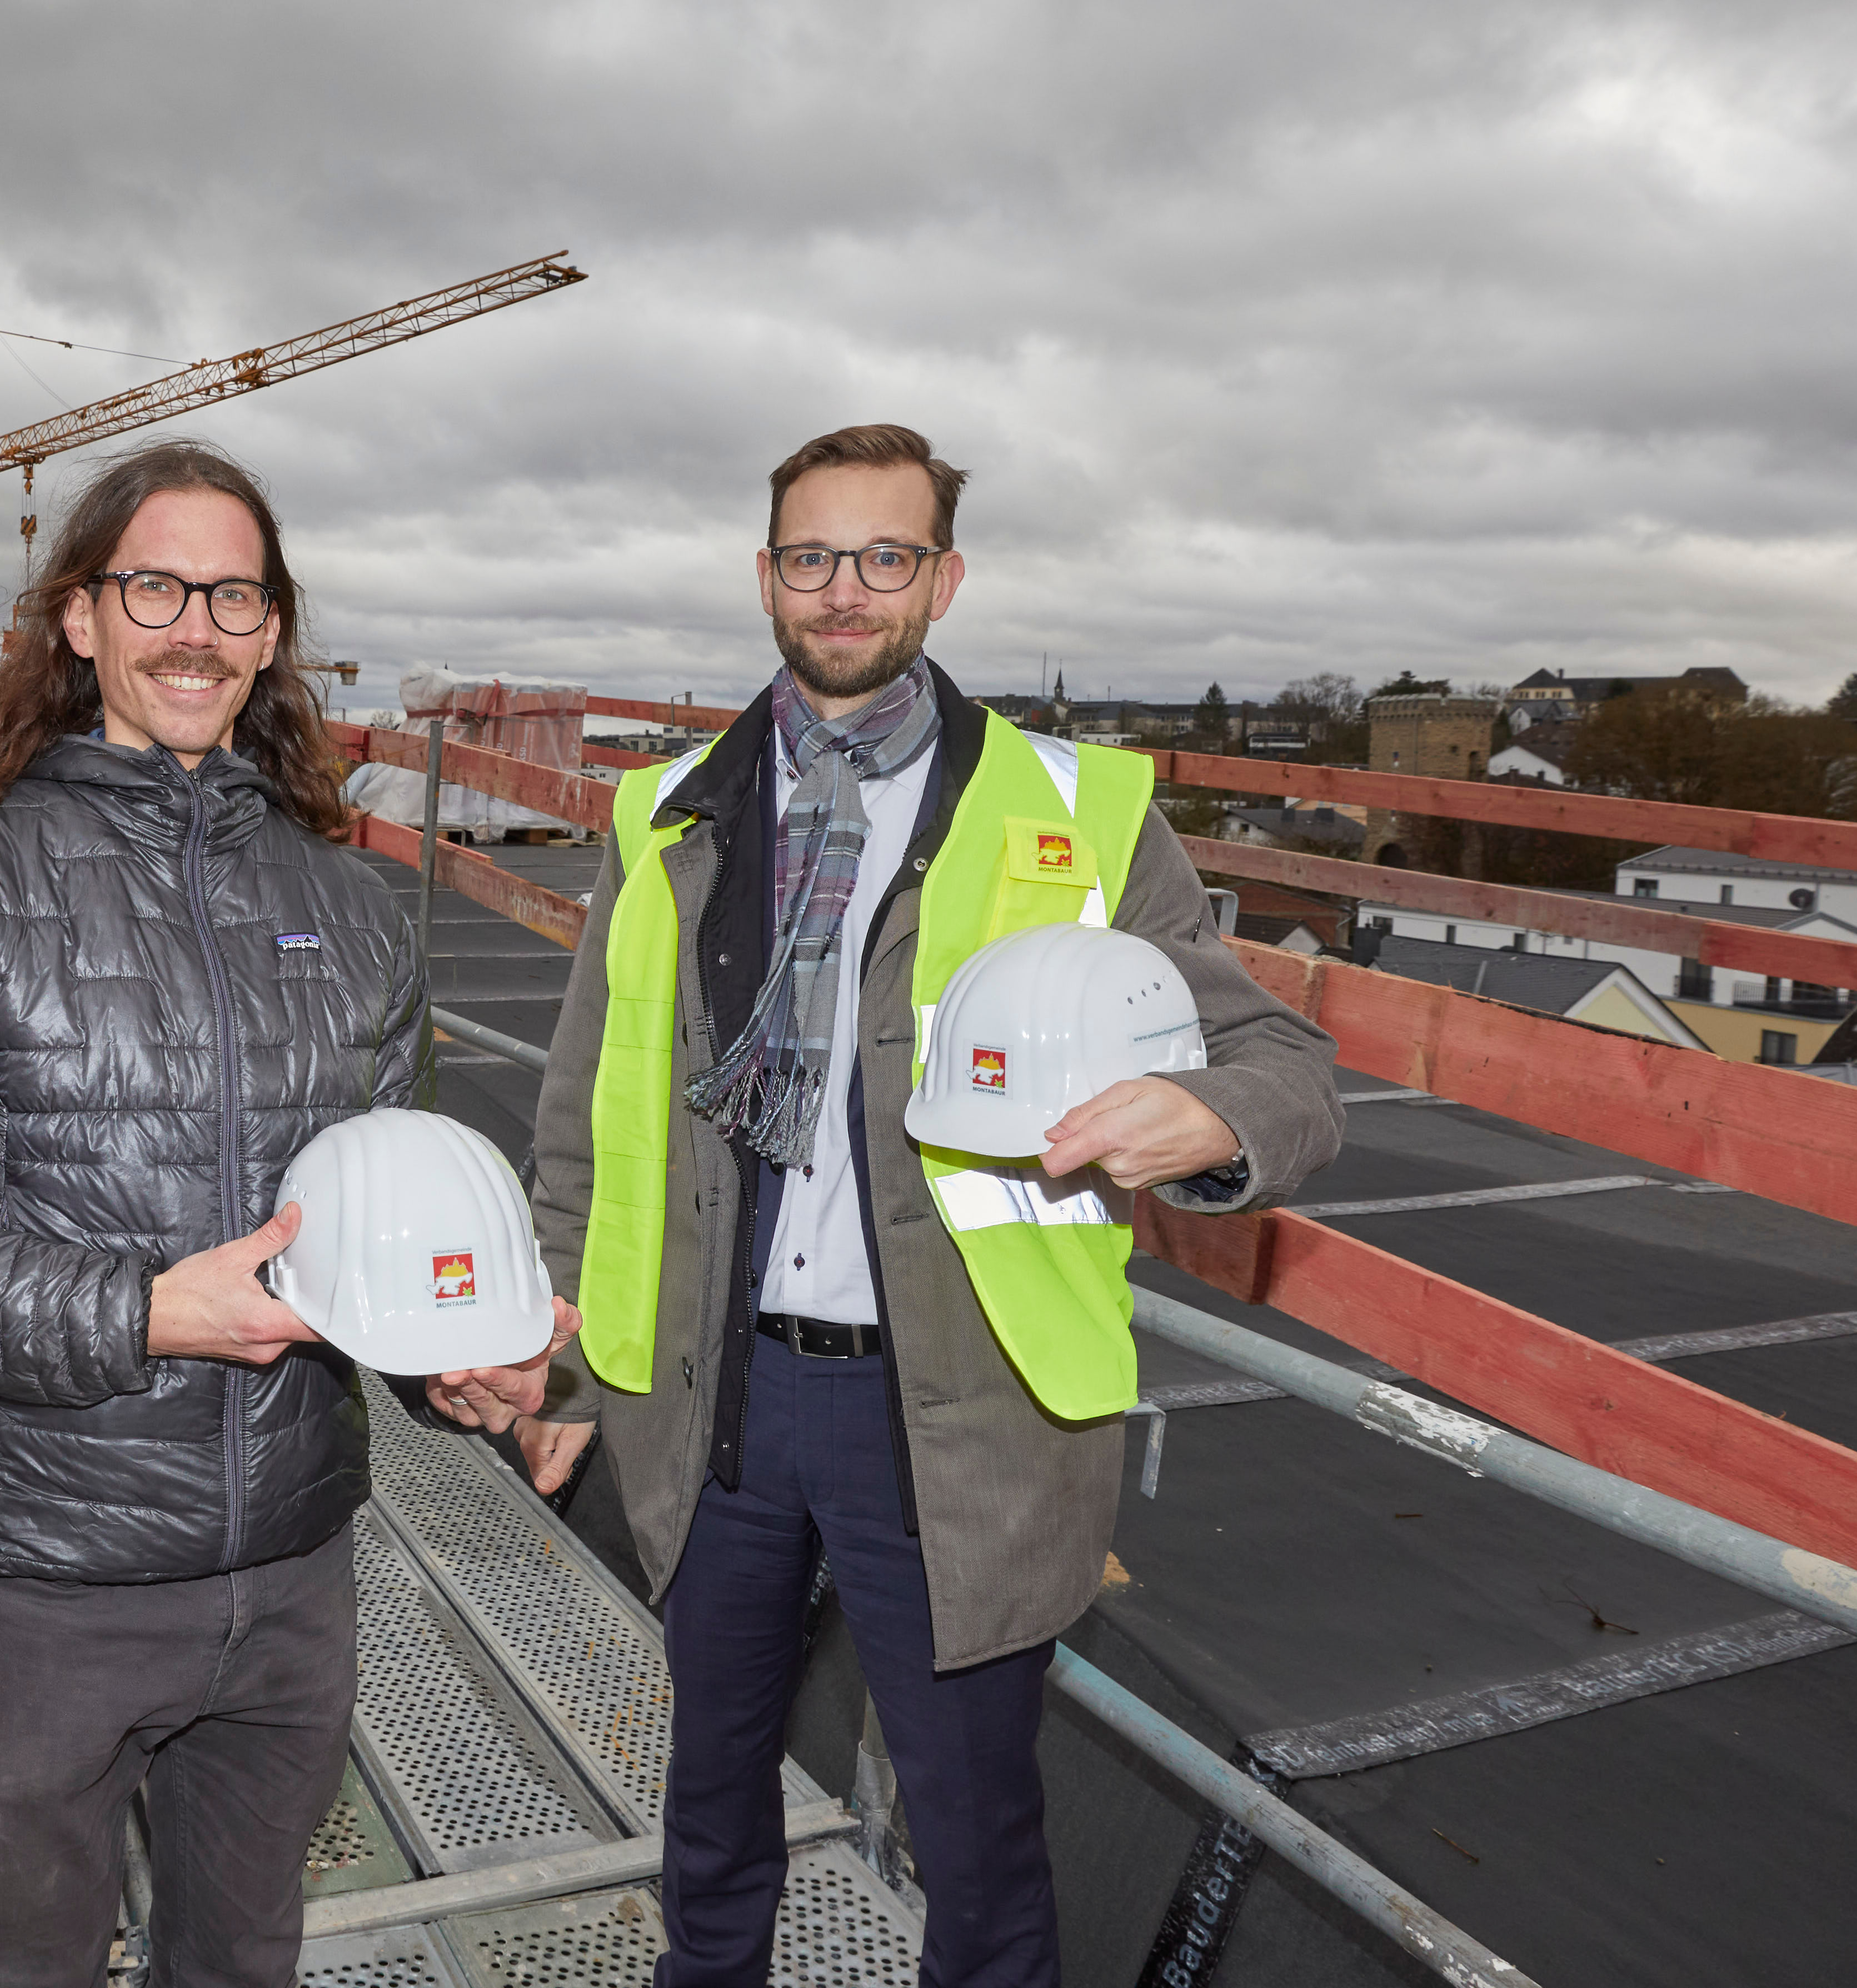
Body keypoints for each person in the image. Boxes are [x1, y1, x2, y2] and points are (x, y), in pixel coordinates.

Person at [506, 425, 1344, 1987]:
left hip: (959, 1411)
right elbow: (583, 1116)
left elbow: (1283, 1059)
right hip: (714, 1399)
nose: (846, 589)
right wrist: (559, 1359)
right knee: (709, 1815)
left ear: (942, 580)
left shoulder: (1077, 812)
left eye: (885, 556)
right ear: (766, 577)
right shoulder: (670, 816)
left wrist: (1213, 1118)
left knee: (979, 1851)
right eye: (813, 556)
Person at [0, 439, 574, 1988]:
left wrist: (451, 1363)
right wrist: (139, 1309)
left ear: (273, 630)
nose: (194, 625)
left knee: (240, 1962)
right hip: (47, 1583)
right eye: (154, 584)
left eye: (233, 592)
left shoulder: (347, 901)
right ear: (79, 615)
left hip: (291, 1570)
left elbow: (378, 1225)